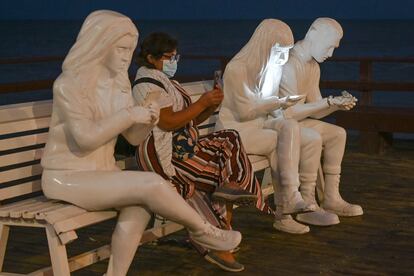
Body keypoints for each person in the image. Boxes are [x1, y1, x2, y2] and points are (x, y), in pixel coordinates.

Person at [40, 10, 241, 276]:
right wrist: (129, 114)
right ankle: (202, 231)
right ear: (100, 45)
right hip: (65, 177)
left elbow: (133, 137)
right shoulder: (69, 85)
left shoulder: (119, 84)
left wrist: (148, 117)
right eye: (121, 49)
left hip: (101, 173)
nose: (126, 56)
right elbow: (85, 138)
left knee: (142, 205)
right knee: (151, 184)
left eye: (129, 50)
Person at [133, 32, 271, 272]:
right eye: (169, 56)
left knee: (229, 137)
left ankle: (234, 186)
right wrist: (202, 102)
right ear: (151, 57)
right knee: (210, 181)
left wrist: (210, 107)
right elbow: (166, 122)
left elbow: (189, 123)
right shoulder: (146, 85)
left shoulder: (167, 81)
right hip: (165, 156)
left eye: (176, 56)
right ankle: (219, 245)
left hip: (185, 147)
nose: (174, 61)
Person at [215, 19, 316, 234]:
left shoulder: (272, 67)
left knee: (289, 126)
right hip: (235, 131)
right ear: (264, 45)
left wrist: (281, 106)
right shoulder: (237, 68)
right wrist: (278, 102)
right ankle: (285, 211)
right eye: (279, 51)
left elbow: (267, 108)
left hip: (257, 125)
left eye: (287, 52)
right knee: (277, 143)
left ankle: (291, 196)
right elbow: (244, 112)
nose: (283, 57)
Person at [278, 18, 363, 225]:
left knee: (337, 133)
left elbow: (314, 110)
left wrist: (335, 104)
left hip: (295, 121)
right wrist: (328, 102)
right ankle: (307, 202)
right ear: (314, 34)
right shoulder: (289, 63)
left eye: (334, 48)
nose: (331, 54)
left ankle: (331, 198)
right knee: (314, 136)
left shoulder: (313, 66)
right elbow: (289, 114)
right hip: (280, 125)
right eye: (329, 46)